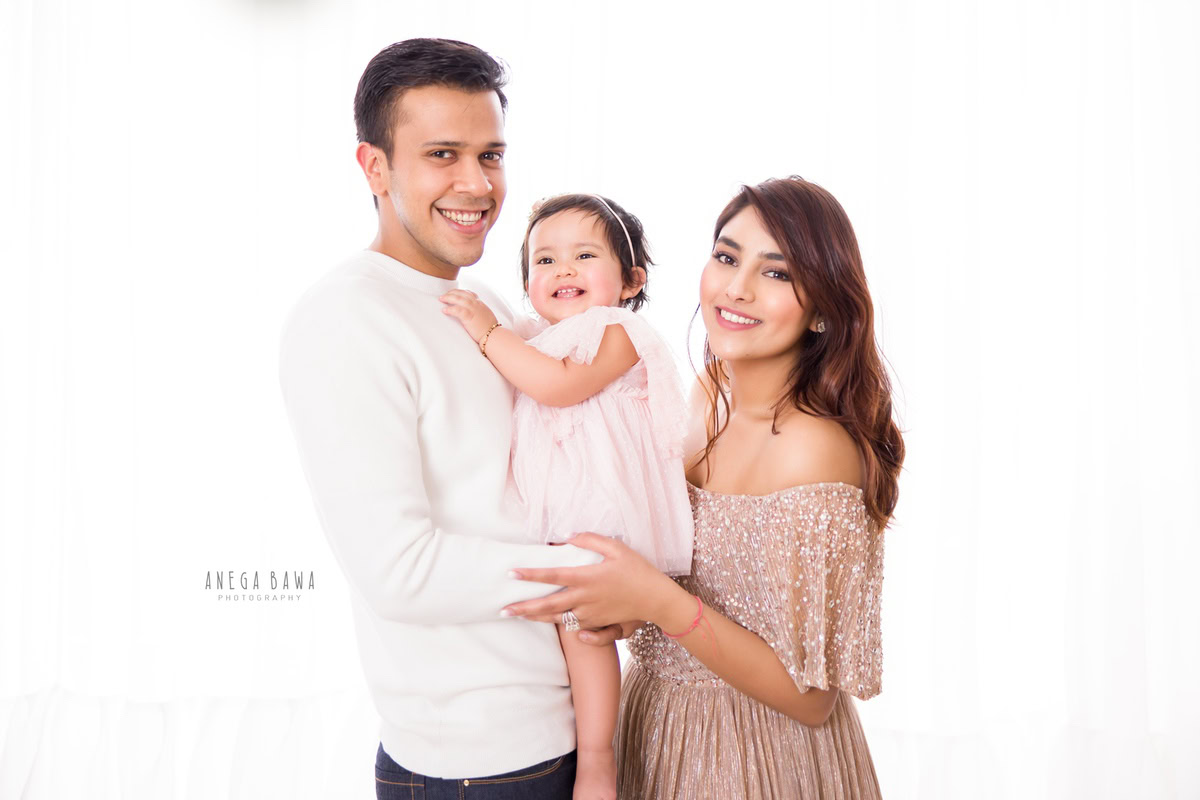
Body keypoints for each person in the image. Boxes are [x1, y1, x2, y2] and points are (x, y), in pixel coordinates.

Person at [278, 39, 617, 799]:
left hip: (557, 735)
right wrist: (601, 579)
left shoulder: (489, 307)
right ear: (374, 166)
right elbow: (400, 571)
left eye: (491, 155)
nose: (477, 184)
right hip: (478, 766)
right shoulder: (345, 318)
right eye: (443, 154)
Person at [498, 176, 905, 798]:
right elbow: (697, 581)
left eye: (777, 273)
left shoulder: (815, 447)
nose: (736, 288)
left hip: (760, 757)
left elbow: (812, 698)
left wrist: (654, 598)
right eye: (726, 256)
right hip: (656, 723)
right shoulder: (707, 393)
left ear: (823, 307)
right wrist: (625, 605)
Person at [439, 192, 695, 800]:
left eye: (584, 255)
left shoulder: (620, 329)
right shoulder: (535, 336)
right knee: (564, 630)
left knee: (583, 631)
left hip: (600, 506)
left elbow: (558, 388)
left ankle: (598, 762)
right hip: (558, 506)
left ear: (632, 280)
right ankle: (575, 738)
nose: (564, 271)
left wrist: (487, 331)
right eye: (545, 260)